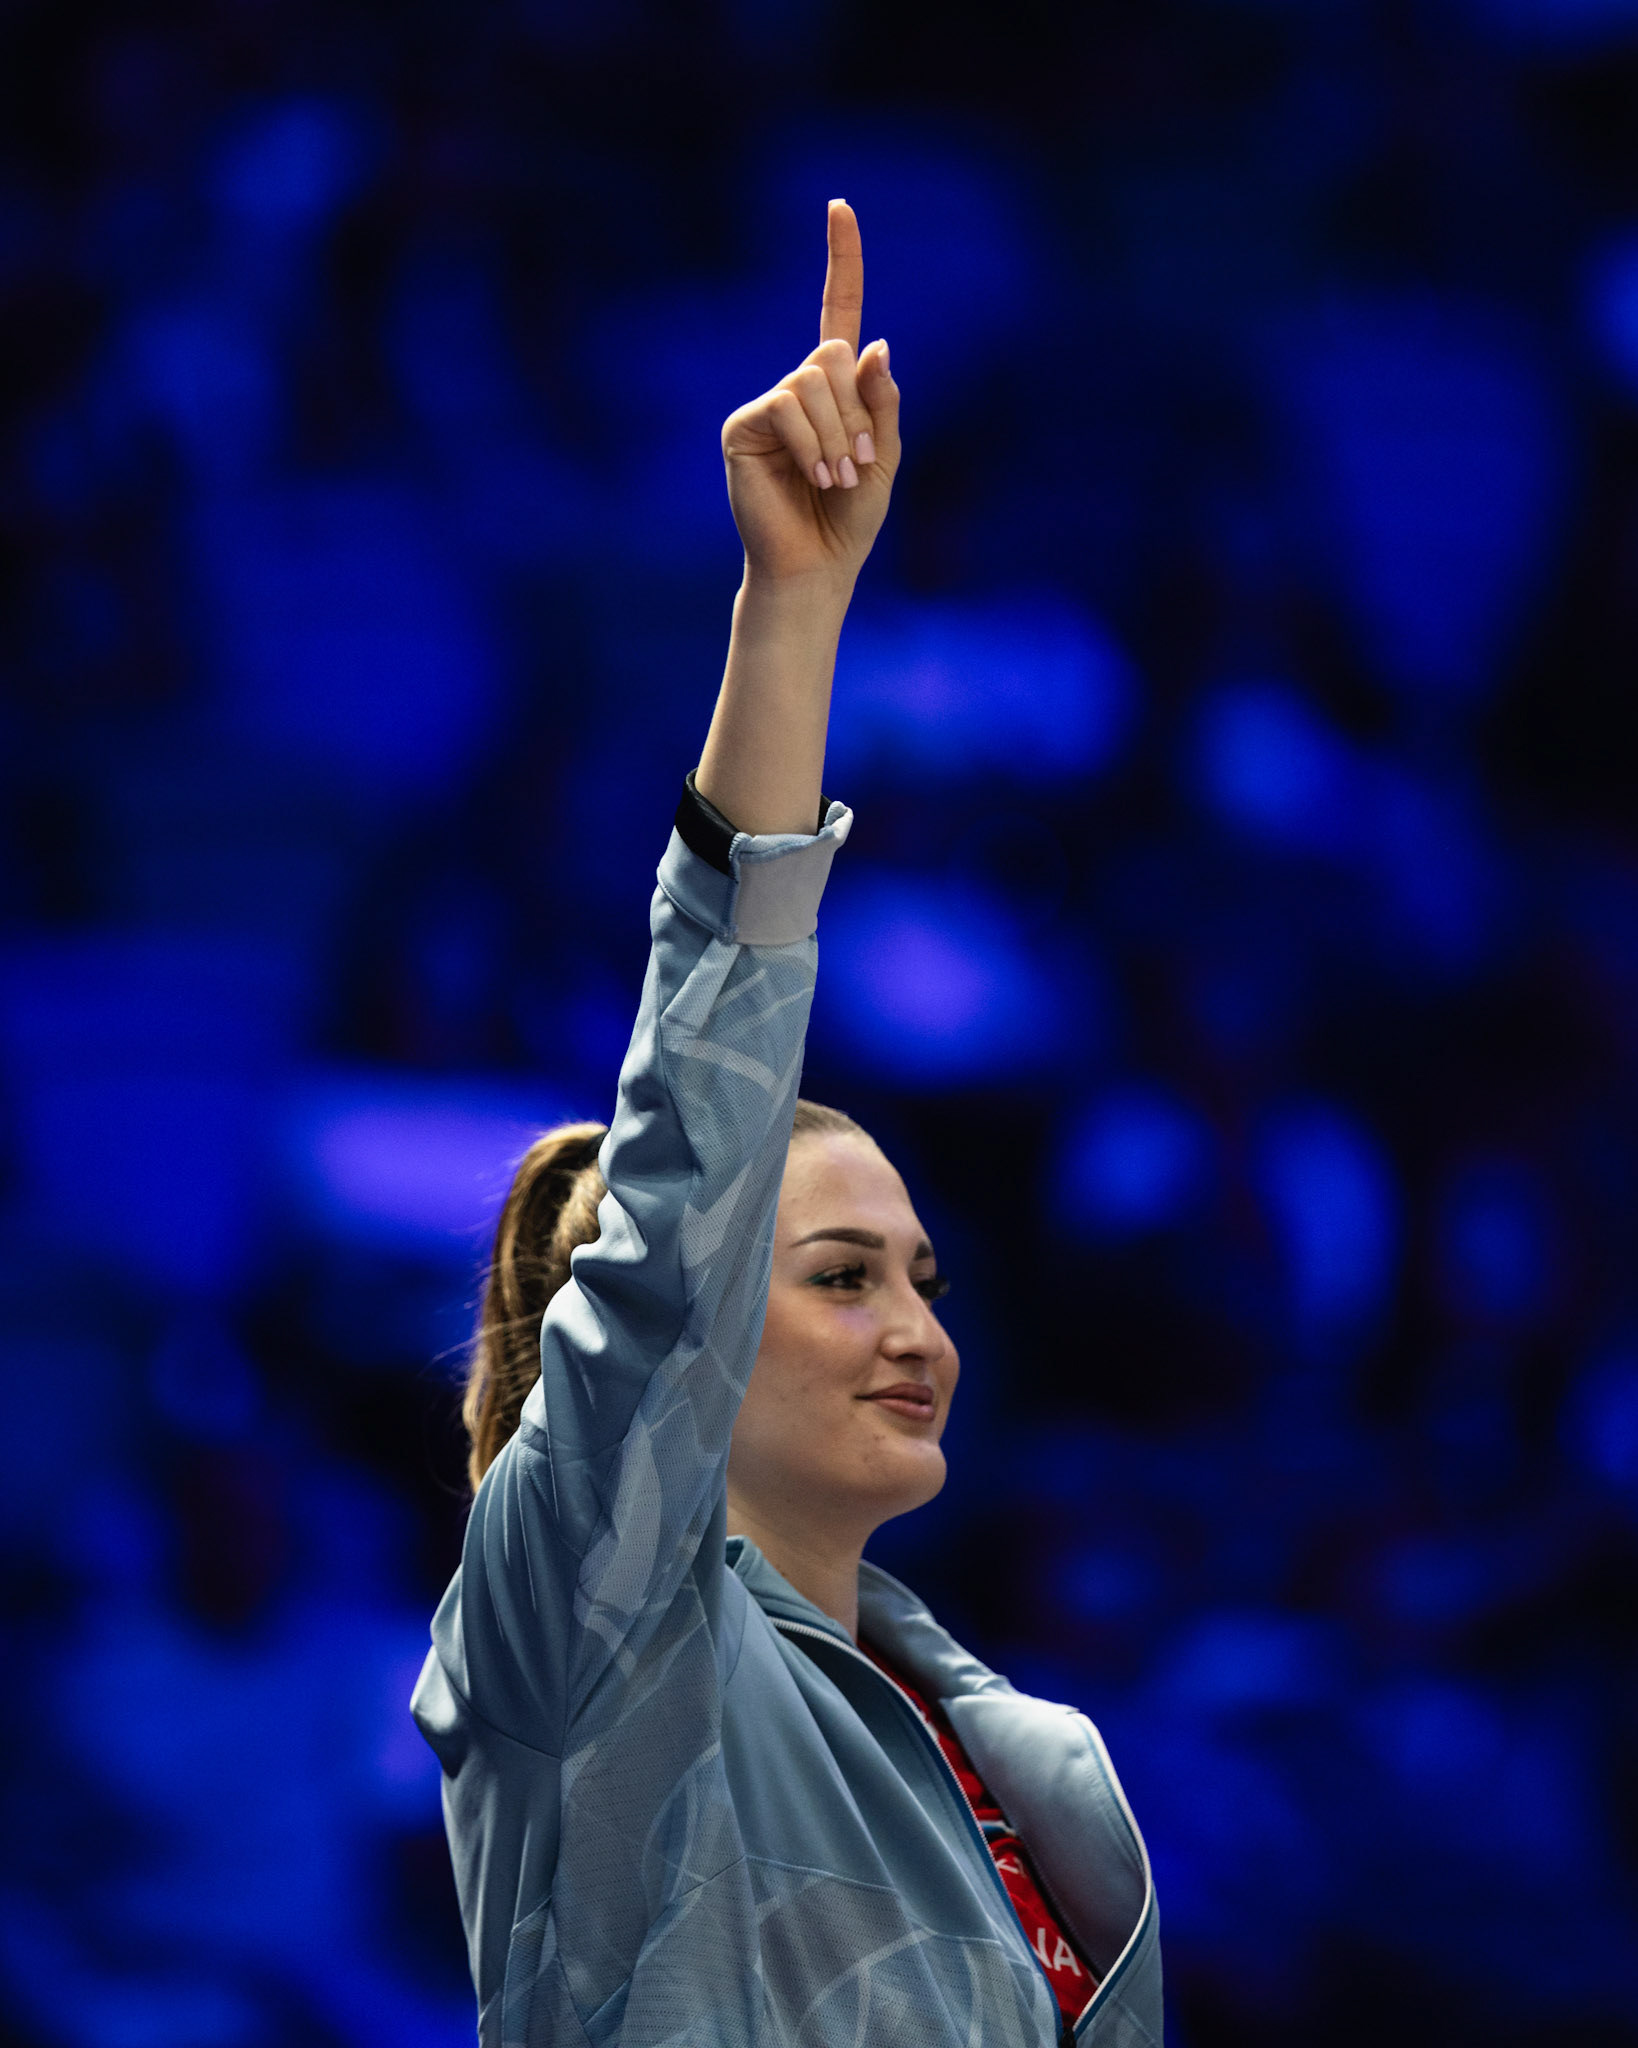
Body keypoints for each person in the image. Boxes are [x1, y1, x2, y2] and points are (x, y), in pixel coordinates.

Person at [412, 200, 1160, 2048]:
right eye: (839, 1276)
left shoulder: (1011, 1764)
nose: (915, 1330)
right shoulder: (585, 1647)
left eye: (918, 1278)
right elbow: (691, 1151)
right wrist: (795, 606)